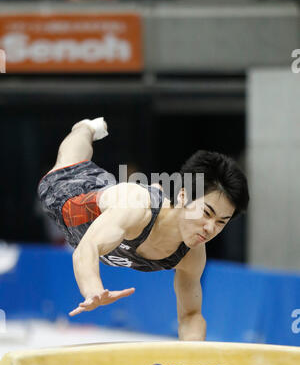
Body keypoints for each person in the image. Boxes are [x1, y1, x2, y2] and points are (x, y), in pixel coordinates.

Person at [37, 117, 249, 341]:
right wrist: (93, 289)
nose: (210, 228)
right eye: (206, 213)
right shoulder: (138, 209)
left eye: (221, 222)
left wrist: (193, 364)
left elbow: (191, 315)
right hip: (67, 197)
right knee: (70, 162)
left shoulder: (192, 254)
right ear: (184, 194)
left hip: (112, 199)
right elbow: (86, 248)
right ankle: (86, 127)